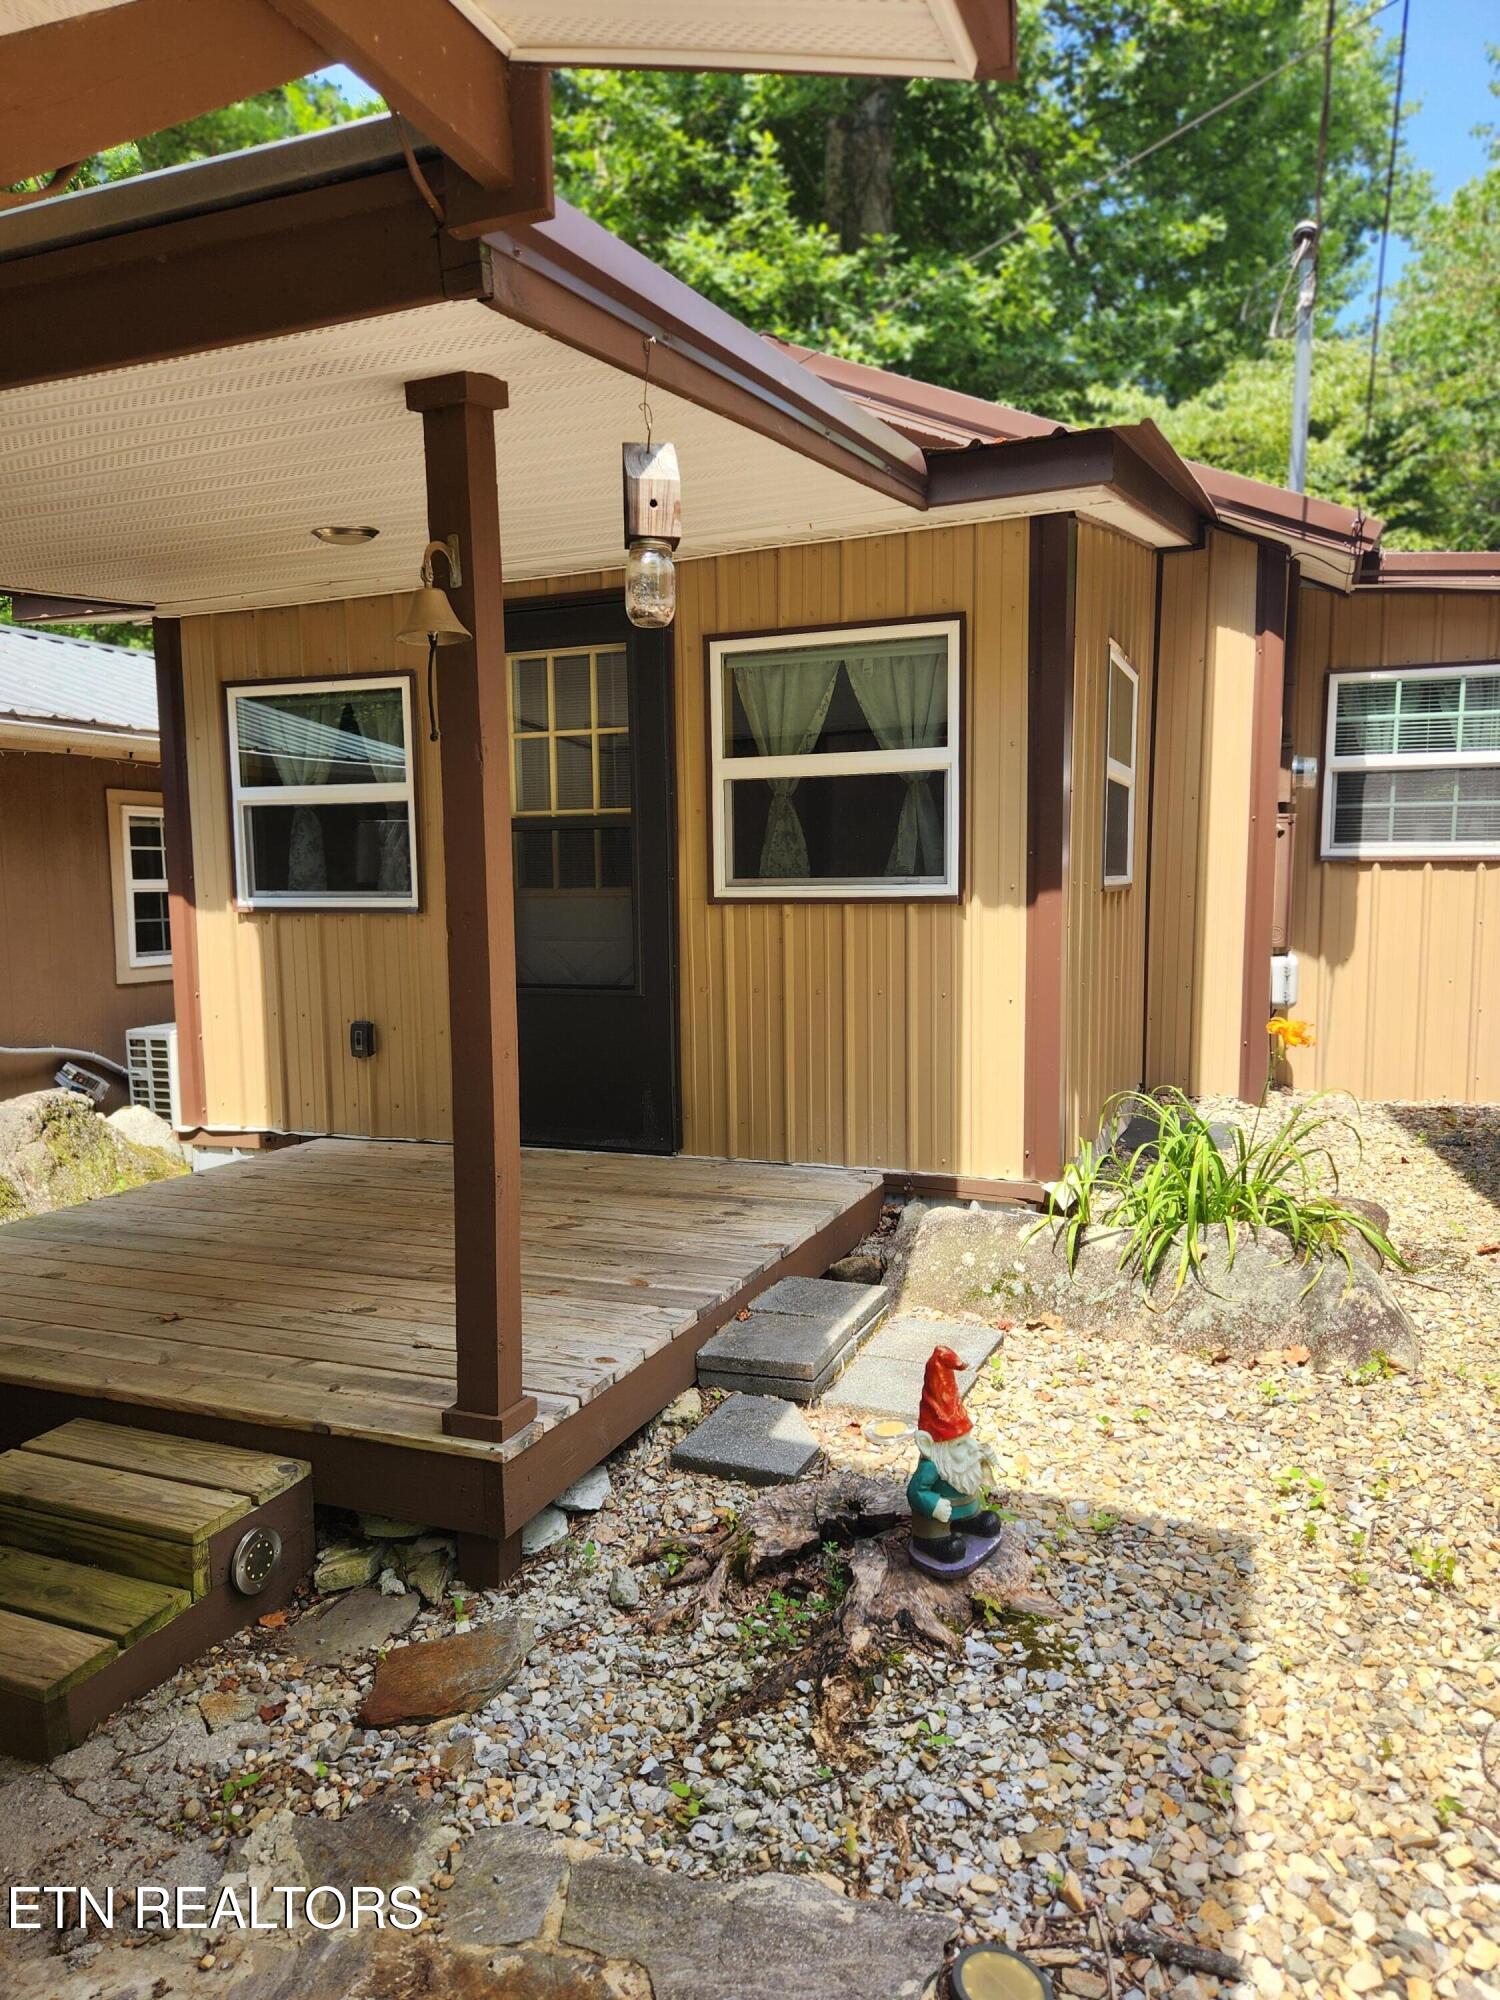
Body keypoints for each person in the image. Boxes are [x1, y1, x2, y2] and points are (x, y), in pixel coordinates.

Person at [907, 1344, 1004, 1564]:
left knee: (988, 1523)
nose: (969, 1448)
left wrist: (984, 1461)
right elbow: (915, 1491)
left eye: (966, 1440)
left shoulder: (964, 1455)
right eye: (960, 1445)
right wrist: (933, 1504)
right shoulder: (932, 1466)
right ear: (927, 1444)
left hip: (965, 1507)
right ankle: (931, 1541)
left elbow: (976, 1462)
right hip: (937, 1519)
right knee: (951, 1550)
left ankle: (971, 1520)